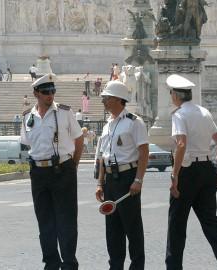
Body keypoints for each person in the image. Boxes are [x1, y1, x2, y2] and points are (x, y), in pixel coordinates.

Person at [165, 74, 217, 270]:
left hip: (187, 172)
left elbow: (181, 144)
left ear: (176, 96)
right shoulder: (204, 112)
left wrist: (175, 175)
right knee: (212, 225)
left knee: (177, 227)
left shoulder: (179, 114)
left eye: (171, 93)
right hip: (207, 170)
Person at [20, 73, 84, 270]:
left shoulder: (65, 112)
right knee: (44, 220)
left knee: (66, 219)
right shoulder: (27, 117)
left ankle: (69, 263)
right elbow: (26, 143)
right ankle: (51, 262)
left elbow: (79, 139)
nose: (50, 95)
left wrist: (73, 164)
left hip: (62, 169)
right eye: (46, 92)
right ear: (36, 93)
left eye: (53, 91)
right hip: (38, 172)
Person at [95, 80, 149, 270]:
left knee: (132, 227)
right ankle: (115, 266)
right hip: (110, 180)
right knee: (113, 229)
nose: (104, 101)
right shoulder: (107, 124)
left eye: (107, 98)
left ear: (119, 99)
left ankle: (137, 266)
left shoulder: (134, 122)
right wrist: (100, 183)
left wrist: (138, 180)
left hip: (128, 178)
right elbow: (103, 157)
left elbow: (144, 152)